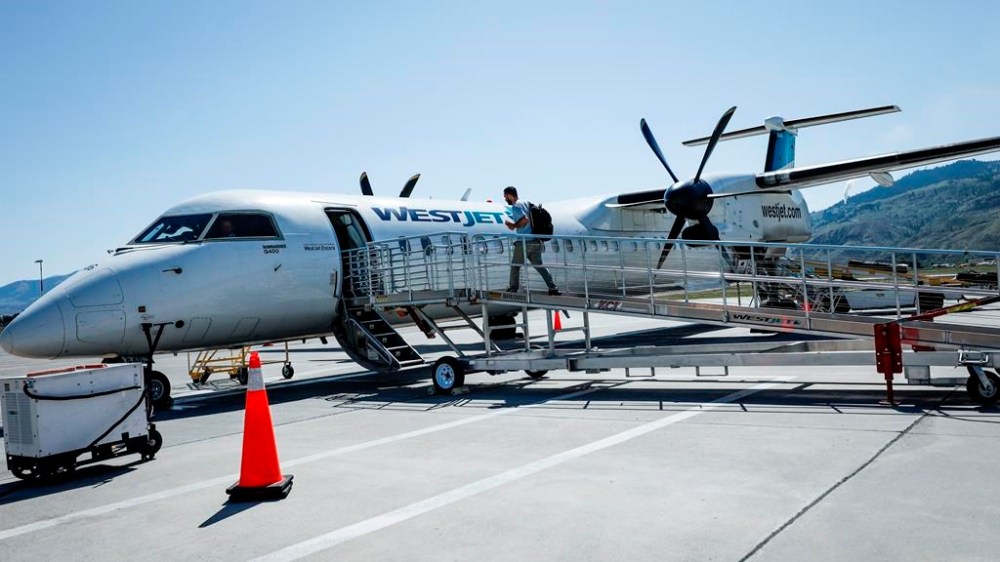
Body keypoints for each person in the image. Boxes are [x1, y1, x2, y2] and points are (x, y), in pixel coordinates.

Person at [502, 186, 559, 295]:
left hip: (524, 242)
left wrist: (513, 225)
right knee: (539, 266)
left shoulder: (516, 206)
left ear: (509, 195)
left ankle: (513, 288)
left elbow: (524, 220)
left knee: (515, 266)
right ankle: (553, 288)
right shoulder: (526, 203)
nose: (505, 199)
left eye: (505, 197)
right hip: (535, 241)